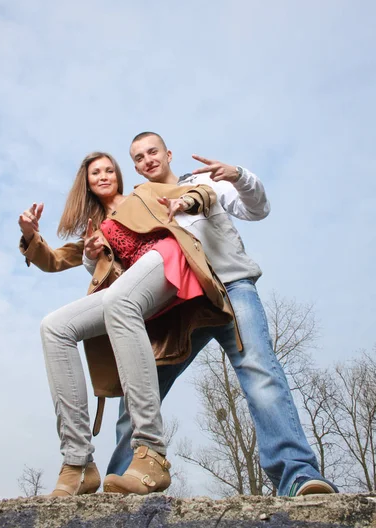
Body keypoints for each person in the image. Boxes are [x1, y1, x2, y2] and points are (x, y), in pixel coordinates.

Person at [85, 132, 338, 497]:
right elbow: (120, 266)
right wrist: (92, 257)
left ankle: (297, 474)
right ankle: (123, 479)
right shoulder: (140, 204)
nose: (147, 160)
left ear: (168, 153)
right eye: (138, 158)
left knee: (260, 373)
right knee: (139, 388)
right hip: (181, 306)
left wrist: (237, 175)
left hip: (230, 287)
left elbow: (257, 209)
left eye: (152, 152)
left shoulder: (203, 182)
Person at [18, 151, 234, 497]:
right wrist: (31, 236)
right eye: (95, 173)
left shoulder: (143, 193)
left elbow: (200, 193)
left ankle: (151, 451)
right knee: (54, 327)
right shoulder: (96, 229)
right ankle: (78, 463)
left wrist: (191, 199)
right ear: (86, 184)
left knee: (119, 299)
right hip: (132, 291)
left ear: (117, 175)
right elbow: (53, 259)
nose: (103, 176)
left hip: (169, 259)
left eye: (108, 170)